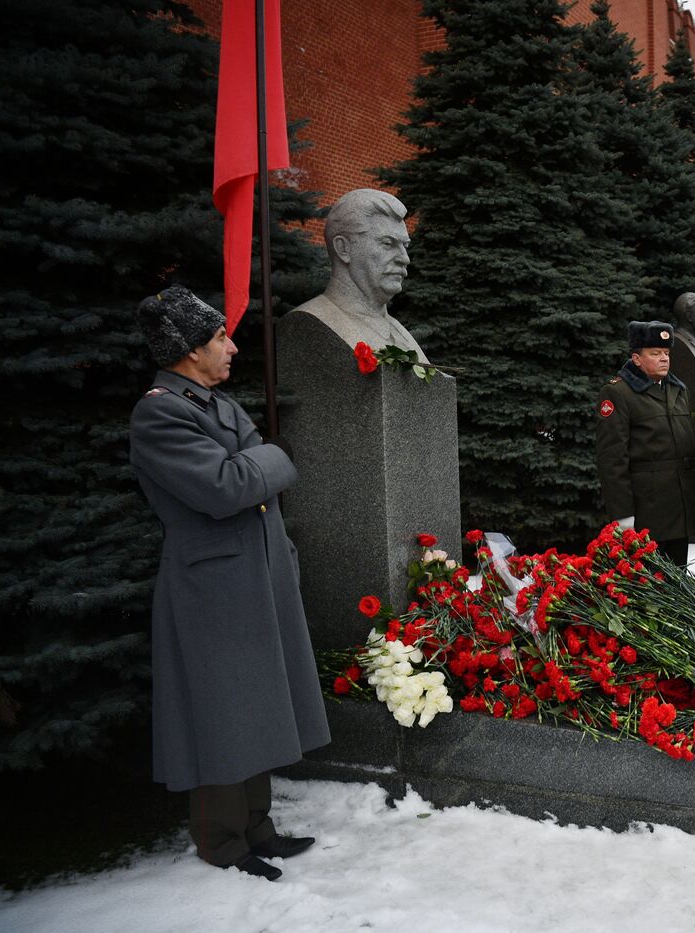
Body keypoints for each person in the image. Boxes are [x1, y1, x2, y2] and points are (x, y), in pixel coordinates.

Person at [130, 286, 330, 882]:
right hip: (211, 587)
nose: (232, 346)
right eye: (220, 337)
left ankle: (258, 828)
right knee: (222, 711)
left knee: (257, 703)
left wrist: (261, 462)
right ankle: (222, 841)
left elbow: (250, 471)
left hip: (252, 573)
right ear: (190, 349)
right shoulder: (161, 410)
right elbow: (225, 487)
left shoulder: (211, 404)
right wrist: (272, 457)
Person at [595, 321, 695, 566]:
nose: (664, 359)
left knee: (678, 581)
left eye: (666, 353)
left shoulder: (677, 389)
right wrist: (623, 516)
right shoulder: (618, 393)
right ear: (636, 358)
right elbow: (612, 460)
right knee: (648, 586)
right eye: (655, 353)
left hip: (679, 504)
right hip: (647, 510)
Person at [290, 188, 425, 359]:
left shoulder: (400, 332)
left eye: (404, 246)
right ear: (343, 248)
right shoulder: (310, 323)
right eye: (388, 243)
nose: (404, 259)